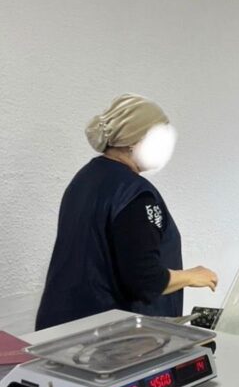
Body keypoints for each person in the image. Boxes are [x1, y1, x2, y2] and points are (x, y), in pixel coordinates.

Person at [36, 94, 218, 330]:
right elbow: (146, 280)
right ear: (133, 141)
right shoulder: (135, 195)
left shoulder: (85, 179)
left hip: (61, 328)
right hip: (106, 335)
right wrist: (192, 276)